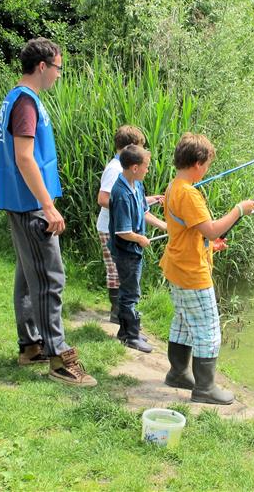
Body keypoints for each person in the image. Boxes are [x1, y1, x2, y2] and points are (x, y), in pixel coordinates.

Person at [0, 37, 96, 387]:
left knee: (27, 276)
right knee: (51, 278)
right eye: (58, 68)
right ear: (42, 66)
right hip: (31, 205)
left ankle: (31, 345)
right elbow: (24, 158)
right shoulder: (25, 102)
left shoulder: (16, 98)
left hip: (22, 202)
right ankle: (58, 358)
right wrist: (48, 206)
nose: (59, 75)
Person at [159, 133, 254, 405]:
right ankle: (205, 389)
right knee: (208, 329)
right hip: (192, 273)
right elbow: (212, 229)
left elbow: (190, 231)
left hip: (177, 266)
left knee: (182, 322)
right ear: (198, 164)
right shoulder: (189, 194)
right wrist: (239, 210)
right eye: (207, 165)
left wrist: (210, 246)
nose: (207, 170)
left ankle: (178, 373)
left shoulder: (174, 187)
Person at [96, 126, 160, 326]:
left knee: (121, 274)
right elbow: (103, 198)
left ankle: (123, 315)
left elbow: (133, 200)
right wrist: (125, 208)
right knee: (116, 273)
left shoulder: (129, 176)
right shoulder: (115, 169)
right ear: (130, 148)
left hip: (123, 228)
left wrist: (150, 200)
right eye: (140, 147)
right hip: (111, 228)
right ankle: (119, 315)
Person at [108, 144, 167, 353]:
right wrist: (140, 239)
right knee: (130, 293)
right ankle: (129, 336)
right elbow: (122, 231)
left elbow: (143, 211)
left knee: (131, 290)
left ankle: (128, 330)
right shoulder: (121, 194)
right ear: (135, 168)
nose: (148, 170)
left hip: (133, 250)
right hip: (126, 251)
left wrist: (165, 226)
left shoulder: (136, 185)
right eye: (146, 166)